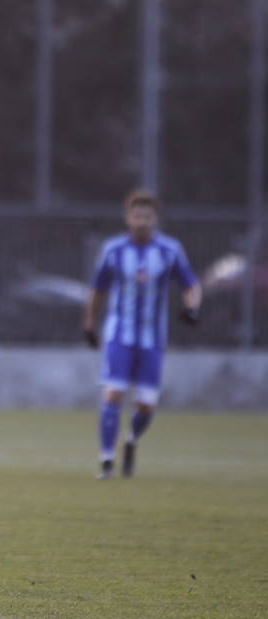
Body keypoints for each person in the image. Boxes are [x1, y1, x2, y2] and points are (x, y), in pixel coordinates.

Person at [82, 189, 202, 479]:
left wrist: (192, 308)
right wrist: (89, 324)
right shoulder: (113, 250)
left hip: (152, 338)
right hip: (118, 335)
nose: (142, 221)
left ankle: (131, 440)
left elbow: (191, 285)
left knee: (146, 405)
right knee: (113, 393)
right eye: (137, 216)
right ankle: (107, 461)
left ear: (155, 219)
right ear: (128, 218)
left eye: (147, 216)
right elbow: (98, 290)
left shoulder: (169, 250)